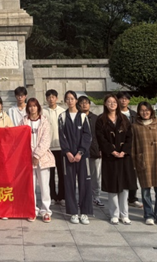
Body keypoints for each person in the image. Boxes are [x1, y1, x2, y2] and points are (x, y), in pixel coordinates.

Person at [96, 93, 137, 225]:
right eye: (109, 102)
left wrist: (124, 151)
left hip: (124, 157)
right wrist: (112, 151)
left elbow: (130, 137)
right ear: (105, 104)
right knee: (112, 186)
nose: (112, 104)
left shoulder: (124, 119)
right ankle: (114, 214)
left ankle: (124, 214)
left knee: (124, 186)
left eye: (114, 102)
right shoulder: (101, 120)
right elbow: (100, 138)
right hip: (110, 157)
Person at [131, 101, 157, 226]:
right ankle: (148, 214)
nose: (145, 112)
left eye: (147, 110)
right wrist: (134, 163)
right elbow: (133, 146)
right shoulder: (135, 126)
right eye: (142, 110)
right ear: (138, 112)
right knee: (145, 191)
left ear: (151, 111)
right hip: (144, 161)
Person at [58, 90, 93, 225]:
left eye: (72, 98)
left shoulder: (83, 116)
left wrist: (80, 152)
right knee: (69, 184)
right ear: (65, 101)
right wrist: (67, 152)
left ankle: (84, 213)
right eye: (67, 99)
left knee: (85, 184)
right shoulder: (62, 116)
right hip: (68, 157)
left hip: (82, 157)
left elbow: (87, 136)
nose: (70, 101)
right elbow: (62, 136)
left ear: (76, 100)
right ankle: (73, 212)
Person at [22, 98, 55, 223]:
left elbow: (46, 140)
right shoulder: (23, 121)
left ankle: (46, 211)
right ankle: (32, 210)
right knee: (31, 186)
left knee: (44, 186)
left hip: (42, 158)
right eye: (30, 106)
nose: (32, 108)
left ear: (38, 107)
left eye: (35, 106)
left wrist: (36, 155)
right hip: (27, 158)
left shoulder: (44, 121)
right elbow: (21, 139)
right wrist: (30, 155)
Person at [117, 92, 142, 208]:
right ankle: (120, 197)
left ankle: (132, 198)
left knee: (132, 173)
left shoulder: (134, 115)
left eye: (126, 99)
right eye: (121, 98)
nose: (123, 101)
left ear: (129, 101)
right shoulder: (114, 114)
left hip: (132, 147)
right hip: (118, 148)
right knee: (119, 173)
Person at [78, 95, 103, 207]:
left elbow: (100, 135)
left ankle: (96, 197)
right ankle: (83, 197)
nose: (84, 105)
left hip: (94, 150)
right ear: (79, 105)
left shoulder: (96, 118)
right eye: (82, 103)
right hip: (81, 152)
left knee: (95, 176)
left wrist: (100, 149)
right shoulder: (77, 117)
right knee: (82, 176)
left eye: (86, 103)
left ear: (89, 104)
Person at [44, 89, 65, 205]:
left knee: (62, 173)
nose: (51, 99)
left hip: (61, 147)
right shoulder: (43, 112)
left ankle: (62, 196)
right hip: (48, 148)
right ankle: (52, 196)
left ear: (56, 98)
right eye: (49, 97)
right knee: (50, 174)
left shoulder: (63, 112)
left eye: (53, 97)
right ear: (46, 99)